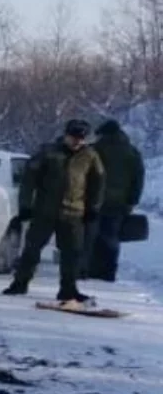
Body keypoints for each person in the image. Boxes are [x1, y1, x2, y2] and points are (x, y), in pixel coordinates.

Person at [3, 119, 105, 304]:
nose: (77, 141)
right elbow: (29, 180)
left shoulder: (90, 156)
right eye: (73, 137)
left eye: (81, 138)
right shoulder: (48, 152)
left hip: (74, 212)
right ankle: (20, 283)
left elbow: (97, 183)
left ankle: (68, 290)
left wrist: (93, 208)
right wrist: (25, 205)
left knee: (72, 253)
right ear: (66, 135)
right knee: (32, 249)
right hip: (45, 211)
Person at [84, 119, 145, 282]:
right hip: (119, 203)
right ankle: (108, 273)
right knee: (111, 237)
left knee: (90, 235)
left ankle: (88, 270)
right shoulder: (132, 152)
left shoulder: (95, 150)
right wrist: (132, 201)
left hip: (93, 200)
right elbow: (138, 178)